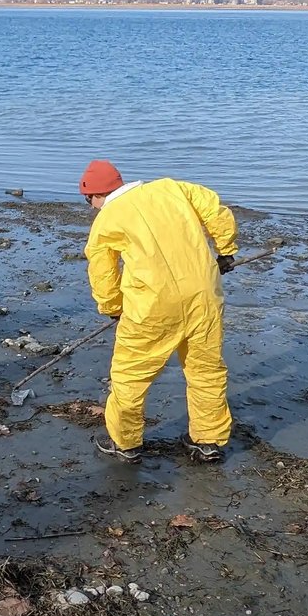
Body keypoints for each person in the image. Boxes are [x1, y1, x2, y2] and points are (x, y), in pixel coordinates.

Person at [80, 158, 239, 464]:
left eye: (90, 202)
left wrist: (112, 308)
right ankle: (207, 441)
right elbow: (216, 211)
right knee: (205, 370)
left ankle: (124, 443)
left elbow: (102, 271)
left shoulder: (107, 218)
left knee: (130, 376)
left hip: (150, 309)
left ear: (93, 196)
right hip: (202, 297)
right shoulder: (171, 188)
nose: (92, 209)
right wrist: (226, 250)